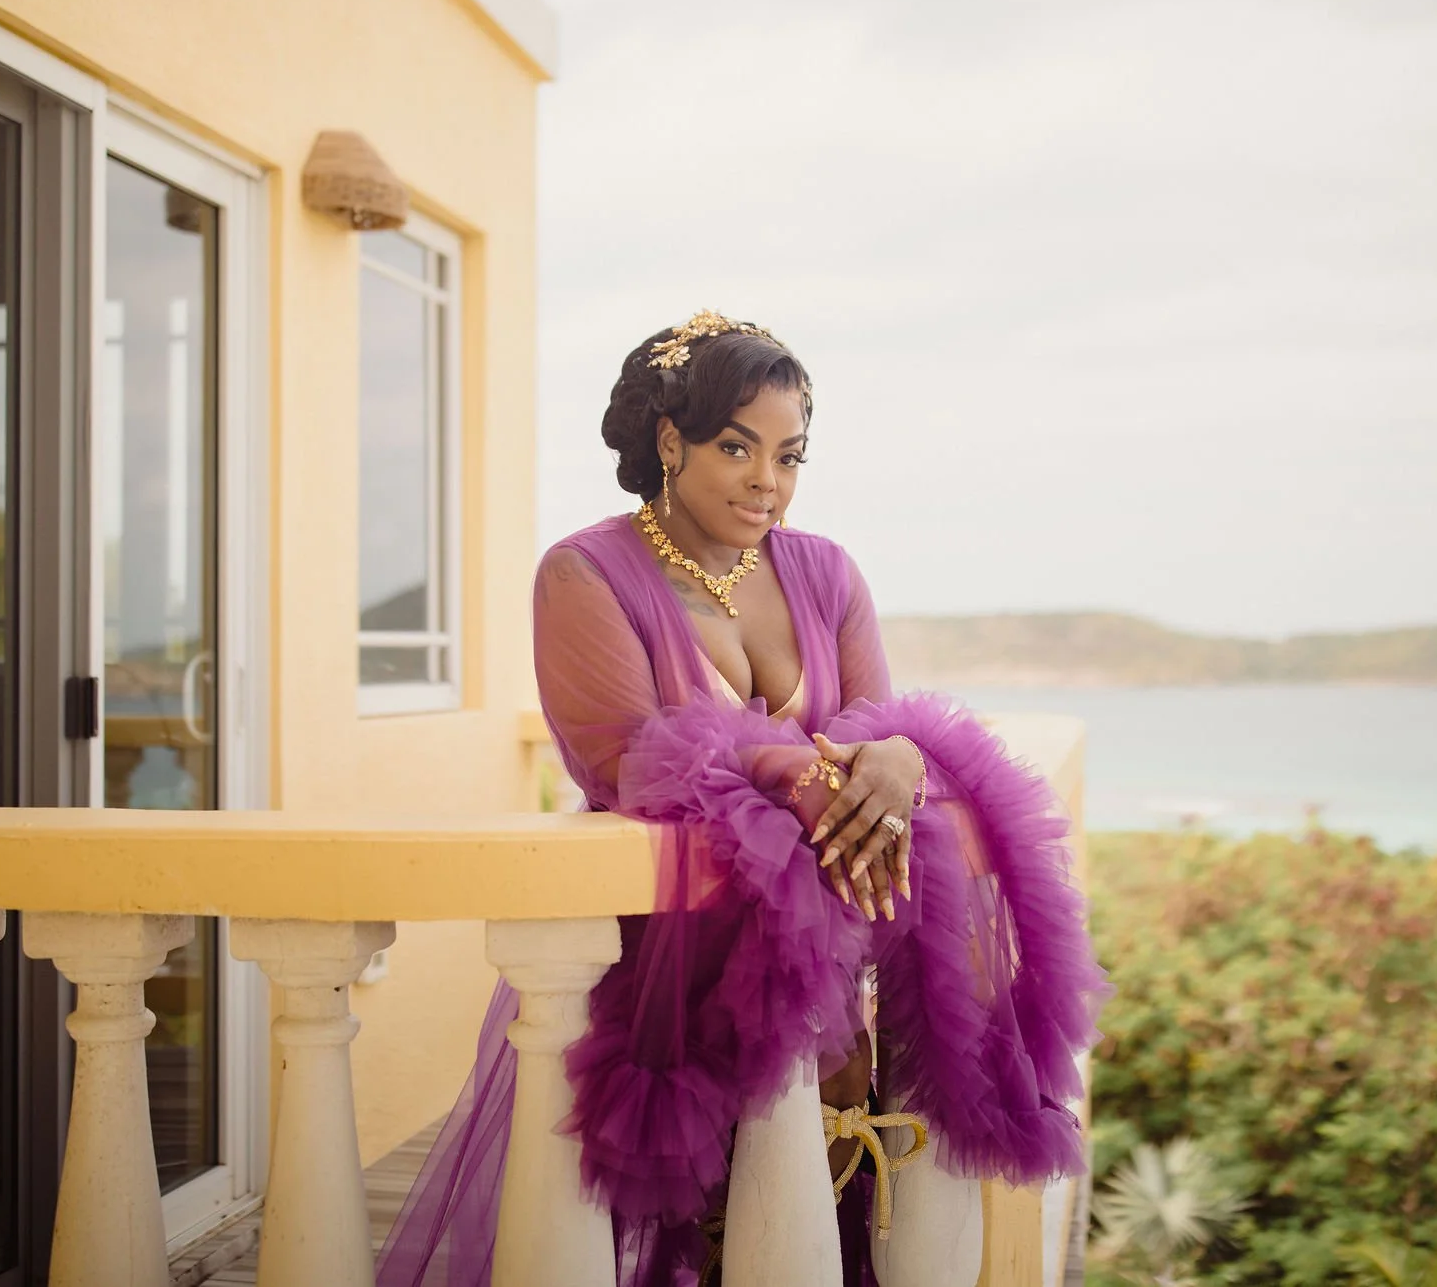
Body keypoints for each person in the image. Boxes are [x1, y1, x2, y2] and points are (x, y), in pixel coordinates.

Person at [378, 311, 1111, 1287]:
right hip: (670, 951)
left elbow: (864, 731)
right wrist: (784, 768)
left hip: (833, 945)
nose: (767, 481)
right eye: (736, 446)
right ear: (668, 441)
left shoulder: (823, 571)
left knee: (830, 1200)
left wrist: (896, 755)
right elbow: (626, 763)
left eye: (789, 454)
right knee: (680, 1240)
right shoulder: (586, 573)